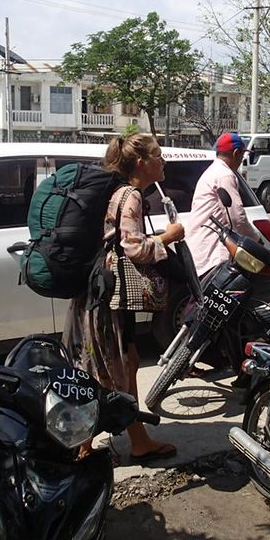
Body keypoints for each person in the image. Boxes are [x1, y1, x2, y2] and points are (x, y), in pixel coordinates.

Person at [64, 132, 185, 463]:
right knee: (103, 369)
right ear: (143, 163)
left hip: (103, 292)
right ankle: (82, 445)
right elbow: (132, 248)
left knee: (123, 364)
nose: (163, 162)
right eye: (158, 156)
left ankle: (134, 440)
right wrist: (167, 237)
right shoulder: (129, 195)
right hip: (108, 298)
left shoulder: (118, 193)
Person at [186, 132, 263, 277]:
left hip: (200, 247)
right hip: (212, 250)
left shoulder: (213, 171)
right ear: (236, 153)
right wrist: (256, 241)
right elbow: (237, 217)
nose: (241, 160)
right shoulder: (225, 175)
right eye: (242, 155)